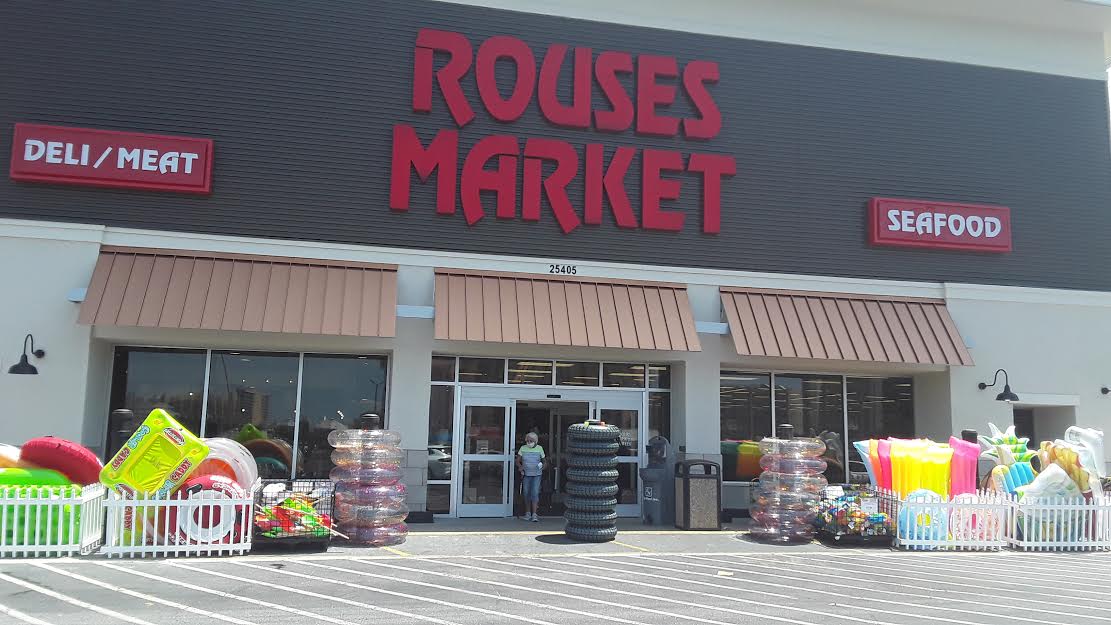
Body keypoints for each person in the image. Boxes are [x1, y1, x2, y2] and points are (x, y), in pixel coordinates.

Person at [516, 431, 545, 522]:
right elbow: (518, 461)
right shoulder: (523, 448)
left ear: (536, 441)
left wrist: (542, 467)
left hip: (537, 475)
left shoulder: (540, 448)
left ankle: (535, 514)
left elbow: (545, 462)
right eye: (527, 440)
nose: (529, 442)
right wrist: (520, 467)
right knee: (526, 493)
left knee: (535, 493)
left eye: (531, 440)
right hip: (526, 474)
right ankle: (528, 513)